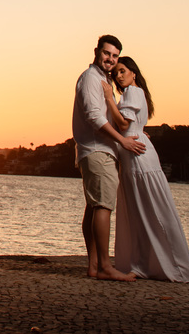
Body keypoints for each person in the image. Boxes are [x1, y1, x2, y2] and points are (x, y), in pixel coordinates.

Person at [101, 56, 189, 282]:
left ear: (134, 72)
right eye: (116, 74)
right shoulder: (134, 94)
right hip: (134, 158)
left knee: (150, 211)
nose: (119, 76)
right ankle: (147, 264)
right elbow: (131, 125)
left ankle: (164, 265)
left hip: (139, 160)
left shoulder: (133, 92)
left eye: (123, 71)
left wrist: (108, 99)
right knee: (143, 213)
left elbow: (124, 124)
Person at [72, 34, 146, 281]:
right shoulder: (90, 79)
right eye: (107, 53)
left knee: (94, 207)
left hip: (98, 150)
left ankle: (94, 266)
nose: (111, 59)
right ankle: (104, 266)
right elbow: (94, 117)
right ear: (97, 51)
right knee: (103, 206)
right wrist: (122, 140)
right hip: (97, 150)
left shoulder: (104, 82)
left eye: (115, 56)